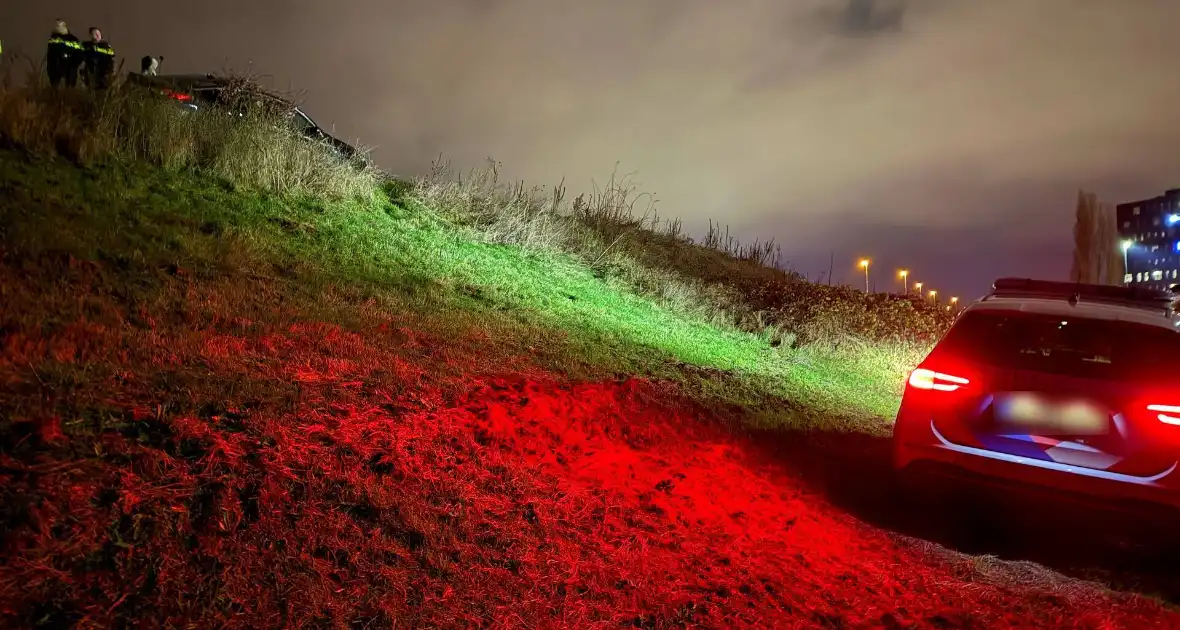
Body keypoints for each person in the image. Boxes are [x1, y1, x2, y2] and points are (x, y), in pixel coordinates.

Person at [47, 19, 83, 87]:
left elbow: (79, 54)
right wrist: (50, 71)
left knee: (69, 92)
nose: (58, 27)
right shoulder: (52, 39)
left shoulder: (73, 39)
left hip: (69, 72)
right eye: (57, 25)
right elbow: (50, 56)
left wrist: (72, 64)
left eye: (60, 25)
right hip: (55, 73)